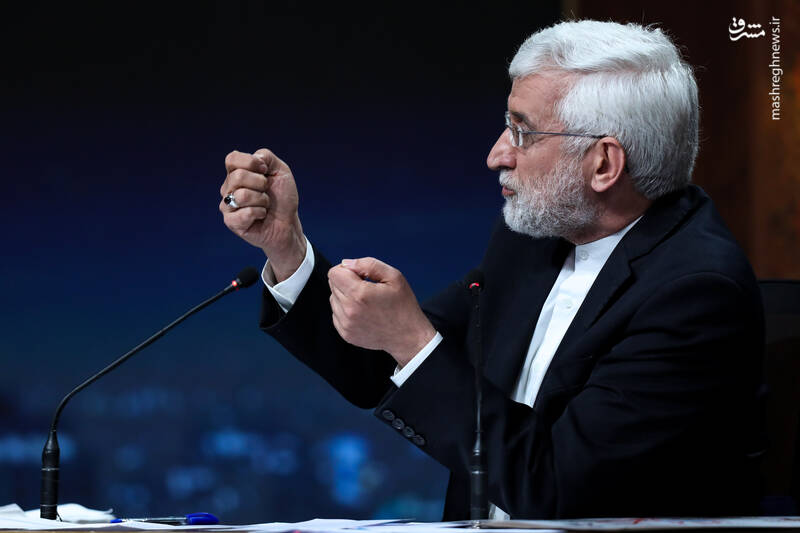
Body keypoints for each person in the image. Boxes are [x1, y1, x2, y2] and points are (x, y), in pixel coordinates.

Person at [219, 20, 765, 519]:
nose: (497, 154)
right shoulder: (531, 241)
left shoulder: (697, 293)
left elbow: (556, 490)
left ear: (603, 163)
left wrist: (413, 340)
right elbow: (386, 364)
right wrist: (287, 248)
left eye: (522, 132)